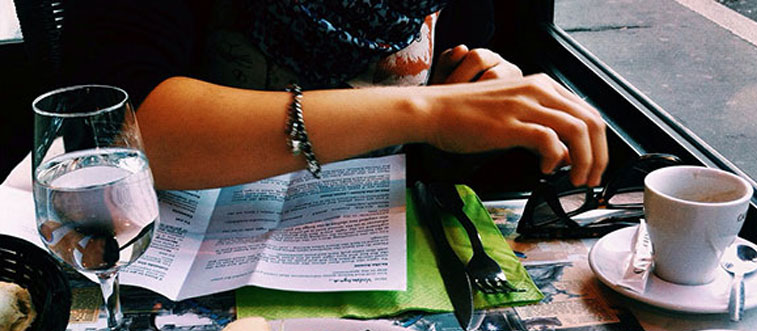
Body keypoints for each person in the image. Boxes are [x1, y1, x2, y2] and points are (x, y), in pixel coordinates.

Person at [61, 0, 608, 192]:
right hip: (184, 261)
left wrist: (478, 92)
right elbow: (126, 129)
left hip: (384, 241)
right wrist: (425, 112)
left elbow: (443, 106)